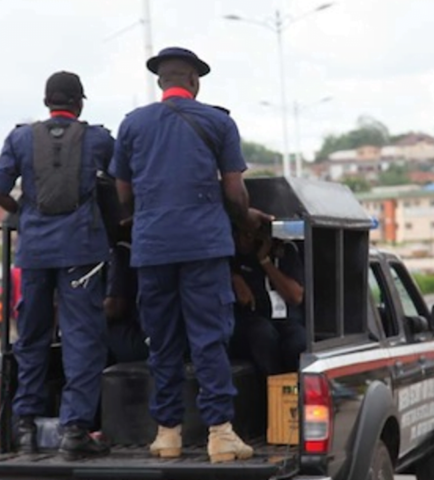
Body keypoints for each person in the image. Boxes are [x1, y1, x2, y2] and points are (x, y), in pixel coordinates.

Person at [110, 46, 271, 463]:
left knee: (161, 341)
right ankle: (220, 434)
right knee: (208, 338)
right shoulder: (218, 122)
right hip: (203, 246)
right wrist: (246, 221)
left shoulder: (132, 125)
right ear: (195, 82)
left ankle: (167, 435)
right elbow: (235, 192)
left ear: (161, 82)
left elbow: (122, 192)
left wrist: (140, 219)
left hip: (151, 248)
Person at [0, 71, 113, 459]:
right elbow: (123, 182)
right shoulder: (98, 139)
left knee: (31, 336)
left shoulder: (19, 137)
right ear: (79, 103)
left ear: (47, 102)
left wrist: (23, 214)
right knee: (82, 339)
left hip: (34, 252)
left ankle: (25, 426)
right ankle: (75, 430)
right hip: (81, 251)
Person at [230, 230, 306, 378]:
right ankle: (274, 391)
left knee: (299, 342)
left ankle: (295, 393)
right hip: (253, 319)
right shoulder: (232, 256)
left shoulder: (285, 250)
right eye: (244, 233)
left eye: (252, 234)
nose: (248, 239)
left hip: (286, 320)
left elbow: (295, 296)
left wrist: (265, 261)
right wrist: (234, 278)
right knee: (262, 334)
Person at [104, 241, 148, 366]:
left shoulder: (121, 252)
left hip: (137, 340)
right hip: (166, 338)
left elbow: (115, 307)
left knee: (88, 328)